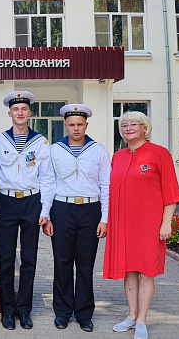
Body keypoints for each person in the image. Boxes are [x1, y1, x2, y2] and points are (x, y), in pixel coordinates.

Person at [103, 111, 179, 339]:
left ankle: (143, 321)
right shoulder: (118, 156)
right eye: (124, 125)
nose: (128, 128)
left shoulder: (159, 153)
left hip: (149, 225)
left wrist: (166, 223)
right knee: (129, 271)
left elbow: (171, 193)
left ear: (145, 128)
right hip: (123, 225)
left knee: (147, 272)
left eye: (133, 124)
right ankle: (132, 315)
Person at [0, 91, 55, 330]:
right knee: (6, 258)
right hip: (6, 203)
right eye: (15, 109)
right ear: (10, 113)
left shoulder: (40, 142)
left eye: (24, 109)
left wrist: (45, 209)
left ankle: (24, 310)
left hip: (31, 203)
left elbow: (47, 179)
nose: (20, 113)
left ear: (29, 113)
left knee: (29, 259)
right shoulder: (0, 141)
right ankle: (8, 310)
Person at [42, 104, 110, 332]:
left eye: (80, 124)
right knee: (62, 263)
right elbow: (48, 183)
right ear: (66, 126)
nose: (76, 128)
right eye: (71, 124)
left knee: (85, 264)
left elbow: (106, 185)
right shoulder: (54, 150)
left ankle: (84, 313)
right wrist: (47, 214)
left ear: (86, 125)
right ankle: (62, 312)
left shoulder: (98, 150)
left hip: (90, 211)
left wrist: (105, 218)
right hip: (62, 209)